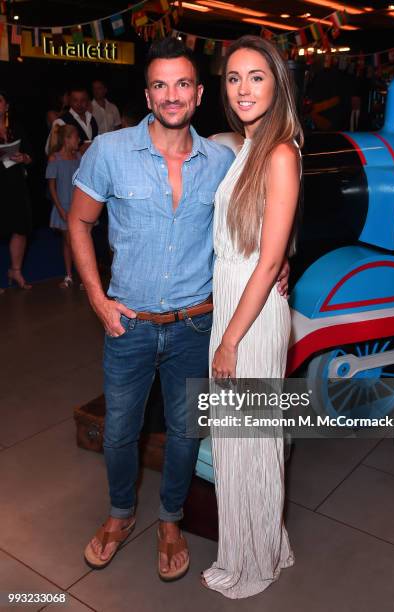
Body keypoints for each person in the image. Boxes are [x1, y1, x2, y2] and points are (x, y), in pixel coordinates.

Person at [68, 37, 289, 582]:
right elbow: (78, 222)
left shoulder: (222, 158)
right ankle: (120, 515)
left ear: (196, 94)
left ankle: (170, 520)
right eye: (161, 84)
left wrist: (282, 259)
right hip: (130, 325)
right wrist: (98, 299)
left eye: (183, 83)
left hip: (200, 324)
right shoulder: (110, 152)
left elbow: (264, 215)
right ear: (147, 94)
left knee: (187, 431)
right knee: (120, 432)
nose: (172, 95)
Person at [200, 35, 302, 599]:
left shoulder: (281, 151)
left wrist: (230, 342)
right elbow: (272, 241)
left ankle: (253, 560)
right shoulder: (245, 146)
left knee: (249, 440)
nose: (243, 88)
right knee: (238, 441)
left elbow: (266, 262)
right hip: (237, 299)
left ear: (278, 83)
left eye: (256, 76)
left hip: (251, 314)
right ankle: (263, 544)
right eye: (234, 77)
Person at [0, 90, 33, 291]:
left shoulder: (16, 128)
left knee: (21, 228)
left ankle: (16, 270)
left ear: (7, 106)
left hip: (16, 184)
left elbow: (31, 156)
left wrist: (24, 158)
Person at [46, 124, 81, 288]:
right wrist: (60, 209)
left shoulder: (79, 157)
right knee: (71, 242)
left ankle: (73, 277)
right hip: (63, 207)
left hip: (78, 207)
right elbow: (51, 187)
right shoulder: (55, 159)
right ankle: (75, 276)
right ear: (67, 139)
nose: (79, 140)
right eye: (76, 137)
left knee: (71, 242)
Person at [45, 86, 98, 155]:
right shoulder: (61, 122)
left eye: (83, 100)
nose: (79, 104)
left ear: (88, 101)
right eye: (75, 100)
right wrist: (77, 152)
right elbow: (49, 150)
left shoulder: (92, 119)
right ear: (69, 101)